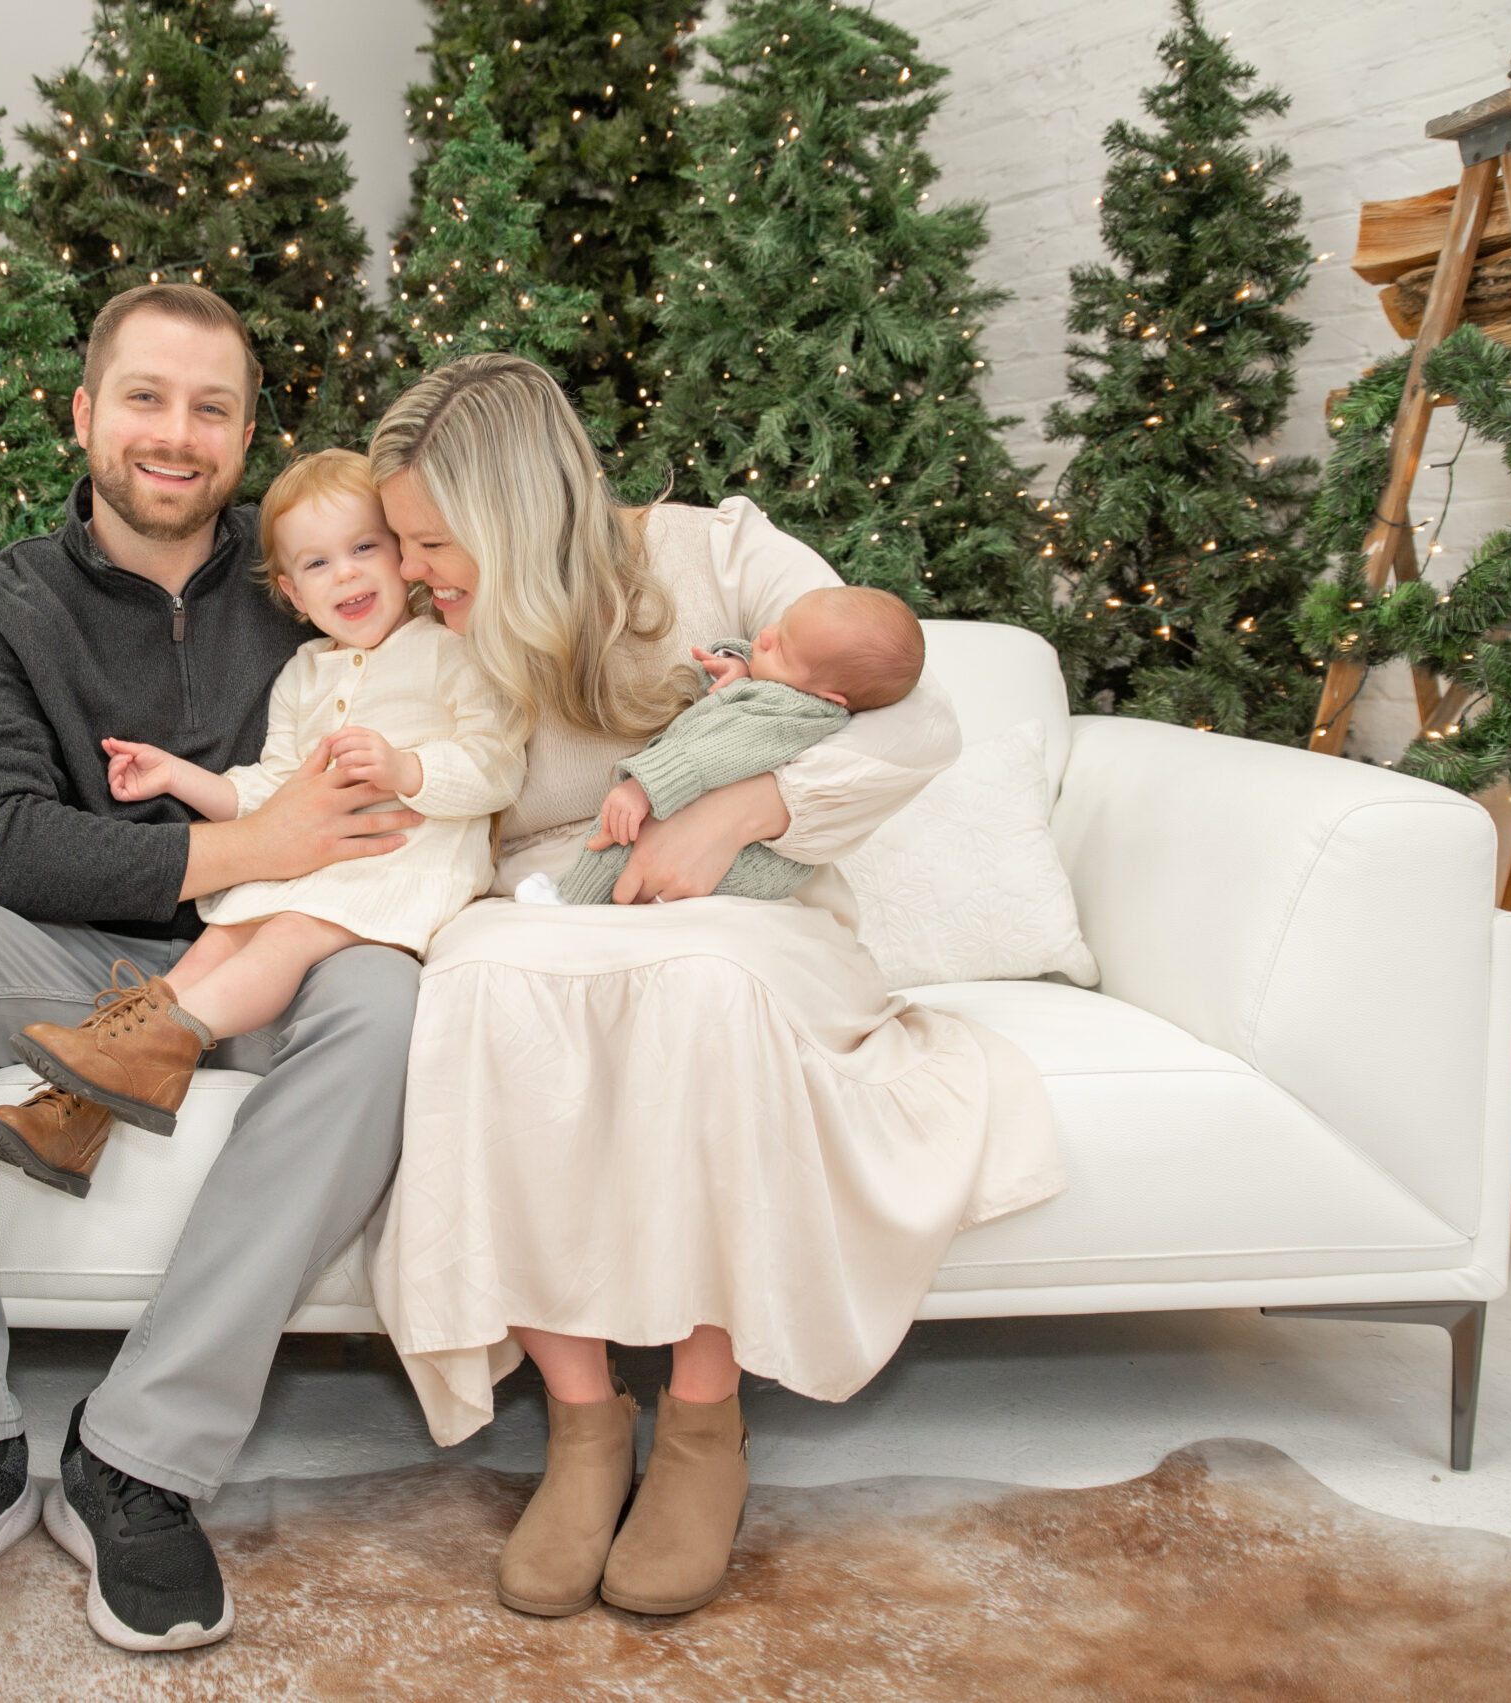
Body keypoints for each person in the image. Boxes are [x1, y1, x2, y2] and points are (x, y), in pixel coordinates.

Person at [365, 354, 1065, 1621]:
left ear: (517, 511)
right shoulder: (439, 632)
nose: (412, 568)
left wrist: (746, 804)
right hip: (548, 901)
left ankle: (702, 1422)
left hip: (752, 899)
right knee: (477, 990)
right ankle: (582, 1425)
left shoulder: (719, 553)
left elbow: (918, 718)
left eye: (429, 540)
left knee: (700, 981)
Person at [0, 285, 423, 1654]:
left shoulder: (318, 593)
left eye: (212, 406)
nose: (176, 432)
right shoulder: (0, 603)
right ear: (87, 415)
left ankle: (139, 1451)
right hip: (71, 951)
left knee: (389, 1000)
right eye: (146, 397)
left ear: (246, 434)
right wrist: (253, 836)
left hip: (274, 953)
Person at [0, 448, 523, 1192]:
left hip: (400, 861)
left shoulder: (449, 653)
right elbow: (269, 789)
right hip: (308, 866)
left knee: (291, 932)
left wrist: (409, 770)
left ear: (403, 557)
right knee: (215, 943)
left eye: (365, 547)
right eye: (319, 563)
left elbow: (499, 765)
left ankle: (152, 1047)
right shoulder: (303, 673)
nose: (348, 574)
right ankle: (72, 1115)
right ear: (294, 594)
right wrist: (180, 776)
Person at [542, 585, 925, 906]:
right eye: (781, 621)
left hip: (711, 832)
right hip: (744, 860)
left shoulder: (783, 713)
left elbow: (710, 753)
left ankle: (568, 905)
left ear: (829, 694)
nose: (766, 636)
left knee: (617, 843)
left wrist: (642, 786)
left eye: (782, 650)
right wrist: (744, 669)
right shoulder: (803, 704)